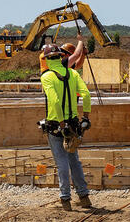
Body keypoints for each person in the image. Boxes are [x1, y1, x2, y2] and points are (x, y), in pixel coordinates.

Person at [39, 43, 93, 211]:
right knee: (74, 160)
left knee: (61, 161)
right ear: (61, 56)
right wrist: (86, 117)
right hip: (74, 123)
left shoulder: (47, 76)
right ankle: (84, 197)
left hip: (57, 124)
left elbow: (54, 101)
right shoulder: (73, 73)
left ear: (47, 59)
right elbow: (86, 94)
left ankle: (65, 199)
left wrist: (62, 125)